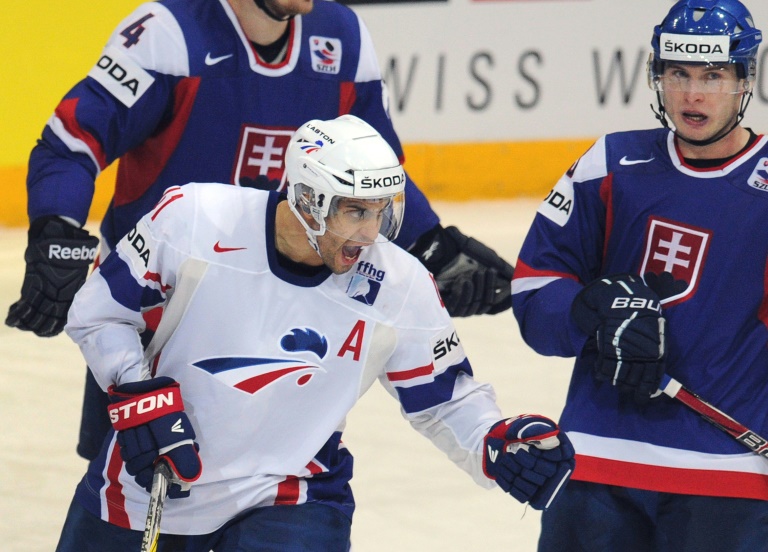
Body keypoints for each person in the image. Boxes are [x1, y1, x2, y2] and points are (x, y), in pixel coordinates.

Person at [6, 0, 514, 461]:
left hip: (279, 306)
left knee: (268, 482)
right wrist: (58, 228)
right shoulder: (170, 34)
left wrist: (433, 245)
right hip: (153, 304)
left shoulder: (345, 37)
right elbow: (72, 142)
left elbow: (376, 172)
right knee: (128, 487)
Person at [55, 114, 574, 551]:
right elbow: (98, 313)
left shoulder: (398, 282)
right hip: (154, 480)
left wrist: (494, 442)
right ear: (305, 199)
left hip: (292, 494)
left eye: (381, 212)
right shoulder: (195, 219)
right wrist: (135, 389)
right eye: (354, 211)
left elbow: (442, 398)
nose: (370, 234)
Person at [510, 1, 768, 550]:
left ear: (746, 78)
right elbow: (534, 287)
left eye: (713, 76)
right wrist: (590, 311)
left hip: (728, 473)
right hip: (598, 463)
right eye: (678, 74)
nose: (692, 95)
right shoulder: (609, 162)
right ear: (658, 75)